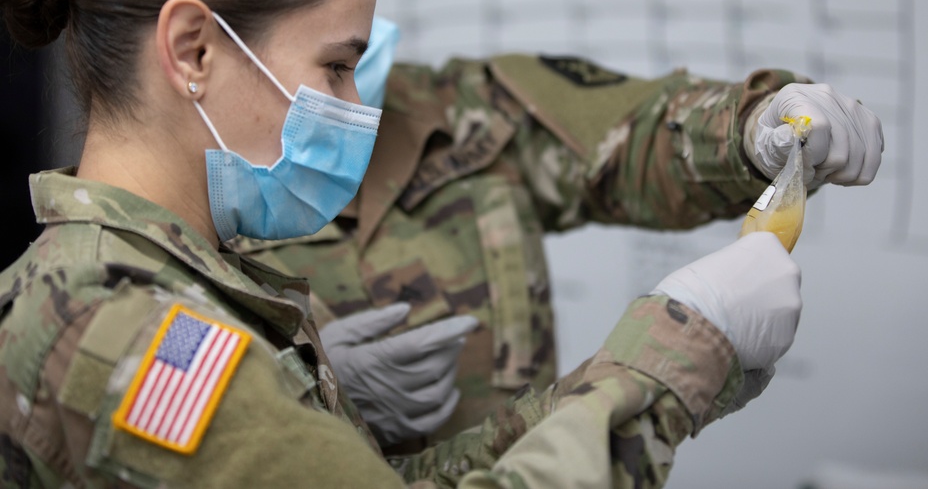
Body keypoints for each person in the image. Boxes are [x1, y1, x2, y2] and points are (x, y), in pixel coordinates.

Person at [0, 0, 809, 488]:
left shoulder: (161, 284)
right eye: (336, 66)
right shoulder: (135, 337)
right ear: (195, 50)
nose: (359, 104)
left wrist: (666, 361)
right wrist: (674, 347)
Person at [233, 24, 884, 447]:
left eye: (360, 47)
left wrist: (751, 129)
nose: (355, 78)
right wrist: (302, 391)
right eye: (332, 58)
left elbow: (635, 135)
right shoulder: (193, 198)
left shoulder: (468, 110)